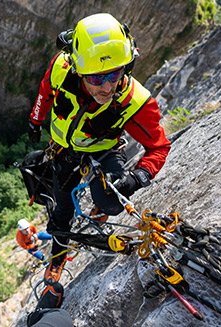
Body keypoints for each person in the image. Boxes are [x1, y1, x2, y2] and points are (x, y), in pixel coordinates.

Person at [27, 13, 171, 284]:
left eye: (114, 74)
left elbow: (159, 146)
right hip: (64, 151)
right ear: (78, 69)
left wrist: (138, 177)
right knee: (62, 209)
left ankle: (102, 209)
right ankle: (58, 255)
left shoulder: (135, 101)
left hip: (104, 148)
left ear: (126, 67)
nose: (106, 87)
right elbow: (45, 92)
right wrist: (35, 121)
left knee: (112, 201)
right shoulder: (61, 67)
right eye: (95, 78)